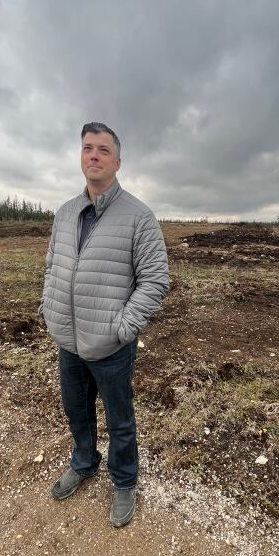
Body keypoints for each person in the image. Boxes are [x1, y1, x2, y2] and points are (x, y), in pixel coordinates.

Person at [38, 122, 170, 527]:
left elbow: (155, 279)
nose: (93, 155)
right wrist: (48, 307)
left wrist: (123, 327)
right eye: (87, 148)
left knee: (119, 418)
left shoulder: (139, 217)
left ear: (117, 161)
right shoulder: (65, 213)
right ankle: (84, 462)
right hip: (69, 340)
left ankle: (125, 481)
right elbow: (51, 267)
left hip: (111, 345)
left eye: (102, 150)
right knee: (76, 409)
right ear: (81, 156)